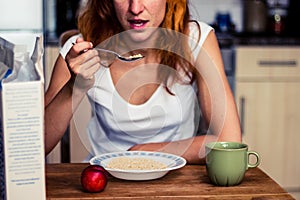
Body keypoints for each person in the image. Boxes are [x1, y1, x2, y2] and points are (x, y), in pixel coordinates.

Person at [45, 0, 242, 164]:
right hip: (104, 179)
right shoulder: (81, 50)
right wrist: (74, 88)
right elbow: (36, 146)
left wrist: (149, 152)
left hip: (177, 180)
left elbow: (229, 140)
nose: (135, 8)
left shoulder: (196, 39)